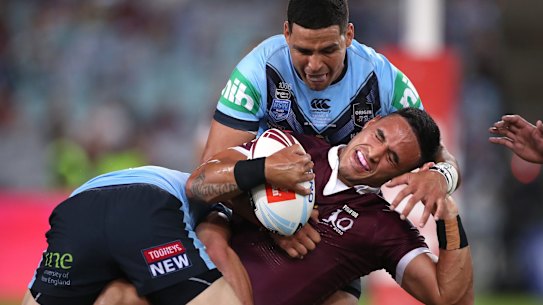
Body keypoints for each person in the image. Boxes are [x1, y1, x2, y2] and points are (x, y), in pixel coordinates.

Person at [202, 1, 462, 302]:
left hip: (340, 223)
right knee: (211, 236)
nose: (315, 65)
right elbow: (213, 168)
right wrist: (272, 220)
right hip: (259, 201)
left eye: (328, 50)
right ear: (286, 34)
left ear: (348, 36)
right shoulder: (260, 69)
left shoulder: (385, 81)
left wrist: (442, 177)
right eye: (303, 51)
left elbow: (441, 155)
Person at [186, 107, 473, 305]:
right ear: (371, 123)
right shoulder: (294, 147)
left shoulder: (382, 226)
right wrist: (263, 171)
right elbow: (198, 184)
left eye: (392, 159)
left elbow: (445, 295)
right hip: (185, 288)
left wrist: (449, 215)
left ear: (401, 174)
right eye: (379, 136)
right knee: (213, 229)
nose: (373, 154)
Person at [21, 166, 254, 305]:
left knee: (119, 295)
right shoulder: (217, 204)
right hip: (145, 207)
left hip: (77, 211)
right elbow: (215, 248)